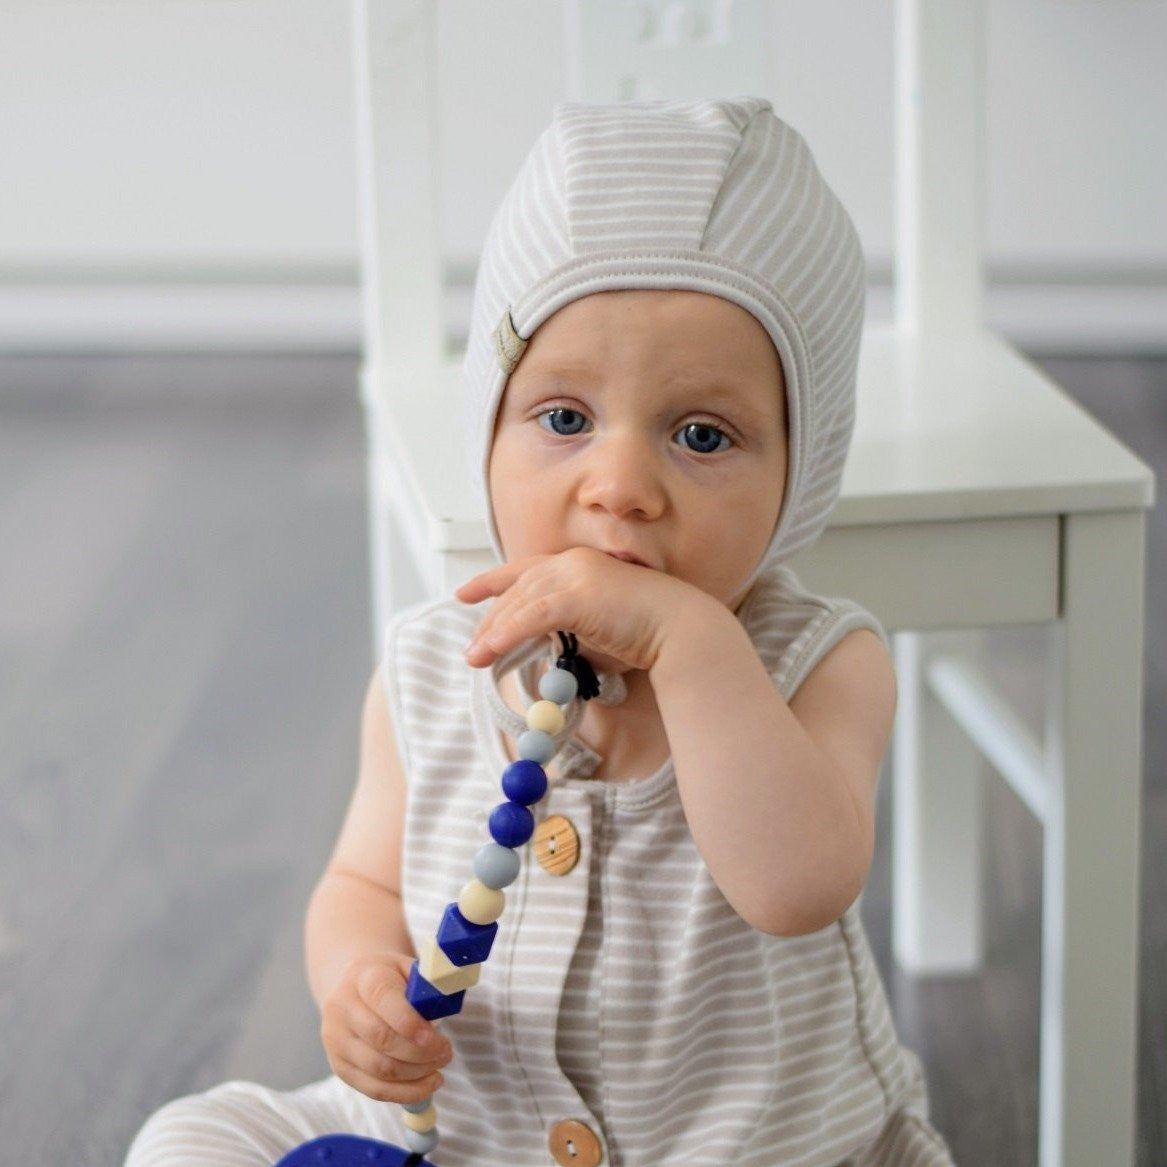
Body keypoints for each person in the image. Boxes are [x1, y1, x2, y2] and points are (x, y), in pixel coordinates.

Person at [125, 97, 955, 1166]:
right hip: (468, 1136)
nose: (620, 486)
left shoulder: (821, 662)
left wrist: (688, 643)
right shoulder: (433, 665)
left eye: (702, 436)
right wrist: (357, 986)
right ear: (490, 430)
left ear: (801, 473)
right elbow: (361, 887)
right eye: (564, 419)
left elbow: (796, 888)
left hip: (746, 1147)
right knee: (189, 1139)